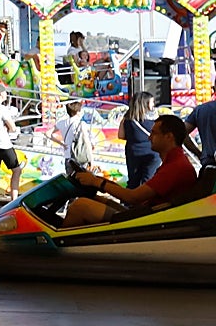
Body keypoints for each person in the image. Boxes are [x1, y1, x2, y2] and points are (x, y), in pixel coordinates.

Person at [63, 115, 199, 227]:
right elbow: (134, 196)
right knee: (92, 198)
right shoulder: (175, 161)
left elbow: (133, 197)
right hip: (147, 213)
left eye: (154, 133)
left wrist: (97, 182)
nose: (149, 137)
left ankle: (60, 250)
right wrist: (98, 181)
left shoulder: (175, 167)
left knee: (79, 206)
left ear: (169, 137)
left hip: (149, 221)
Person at [121, 91, 161, 187]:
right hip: (152, 153)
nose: (153, 105)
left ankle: (129, 201)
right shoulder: (156, 120)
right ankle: (146, 200)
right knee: (148, 181)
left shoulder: (127, 119)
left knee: (133, 182)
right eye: (152, 102)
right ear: (146, 104)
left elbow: (121, 135)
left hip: (133, 152)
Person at [52, 100, 93, 170]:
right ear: (78, 112)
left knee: (70, 179)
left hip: (68, 157)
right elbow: (87, 141)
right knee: (82, 179)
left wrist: (61, 144)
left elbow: (47, 133)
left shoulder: (62, 123)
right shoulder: (81, 124)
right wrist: (91, 159)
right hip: (80, 157)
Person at [184, 84, 216, 167]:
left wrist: (198, 154)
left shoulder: (201, 109)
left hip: (209, 167)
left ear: (213, 89)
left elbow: (181, 133)